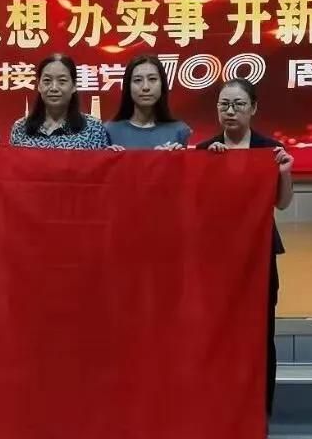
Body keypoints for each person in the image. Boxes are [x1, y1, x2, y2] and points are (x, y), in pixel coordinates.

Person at [195, 77, 293, 421]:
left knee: (261, 333)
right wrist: (209, 168)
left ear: (253, 108)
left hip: (258, 255)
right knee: (218, 331)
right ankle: (220, 406)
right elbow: (196, 205)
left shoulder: (269, 149)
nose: (230, 111)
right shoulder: (205, 150)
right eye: (224, 104)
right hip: (216, 258)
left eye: (238, 104)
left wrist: (285, 172)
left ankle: (260, 411)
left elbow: (282, 203)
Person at [9, 54, 109, 150]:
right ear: (38, 85)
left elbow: (102, 161)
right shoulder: (20, 129)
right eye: (47, 81)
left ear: (74, 85)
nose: (54, 88)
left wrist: (113, 155)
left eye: (62, 81)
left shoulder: (93, 129)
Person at [104, 55, 191, 150]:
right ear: (128, 86)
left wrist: (174, 156)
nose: (145, 87)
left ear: (162, 84)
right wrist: (107, 155)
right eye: (137, 80)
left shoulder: (180, 130)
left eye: (152, 79)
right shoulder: (109, 130)